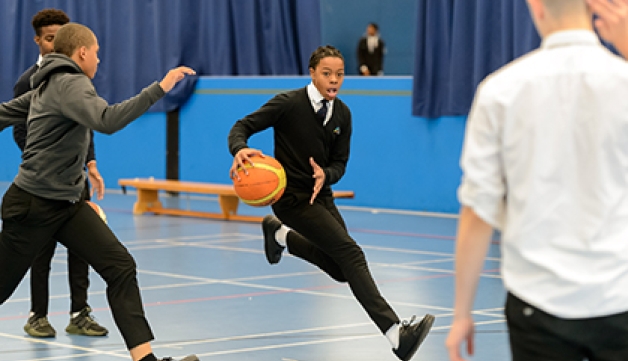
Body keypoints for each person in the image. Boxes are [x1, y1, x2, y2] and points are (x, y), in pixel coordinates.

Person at [0, 23, 197, 361]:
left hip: (66, 204)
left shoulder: (49, 85)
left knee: (120, 266)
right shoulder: (70, 82)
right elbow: (106, 120)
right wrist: (160, 87)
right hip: (33, 204)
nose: (99, 60)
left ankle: (145, 359)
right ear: (82, 53)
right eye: (97, 54)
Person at [445, 1, 628, 360]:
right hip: (619, 296)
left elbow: (478, 213)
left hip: (537, 304)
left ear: (537, 7)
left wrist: (462, 314)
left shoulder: (499, 91)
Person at [228, 45, 434, 361]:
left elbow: (340, 163)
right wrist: (239, 148)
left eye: (339, 74)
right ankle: (396, 334)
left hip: (321, 197)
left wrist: (327, 174)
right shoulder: (288, 104)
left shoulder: (343, 114)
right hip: (291, 201)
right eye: (327, 73)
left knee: (341, 270)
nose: (334, 79)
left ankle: (280, 236)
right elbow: (242, 126)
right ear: (312, 73)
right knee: (351, 253)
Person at [13, 8, 108, 339]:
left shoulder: (78, 78)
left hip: (75, 180)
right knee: (41, 251)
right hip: (42, 184)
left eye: (62, 37)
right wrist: (45, 163)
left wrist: (91, 165)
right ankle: (38, 315)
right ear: (38, 40)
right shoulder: (29, 82)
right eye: (50, 38)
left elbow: (88, 123)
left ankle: (80, 313)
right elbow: (21, 130)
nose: (56, 44)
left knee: (82, 248)